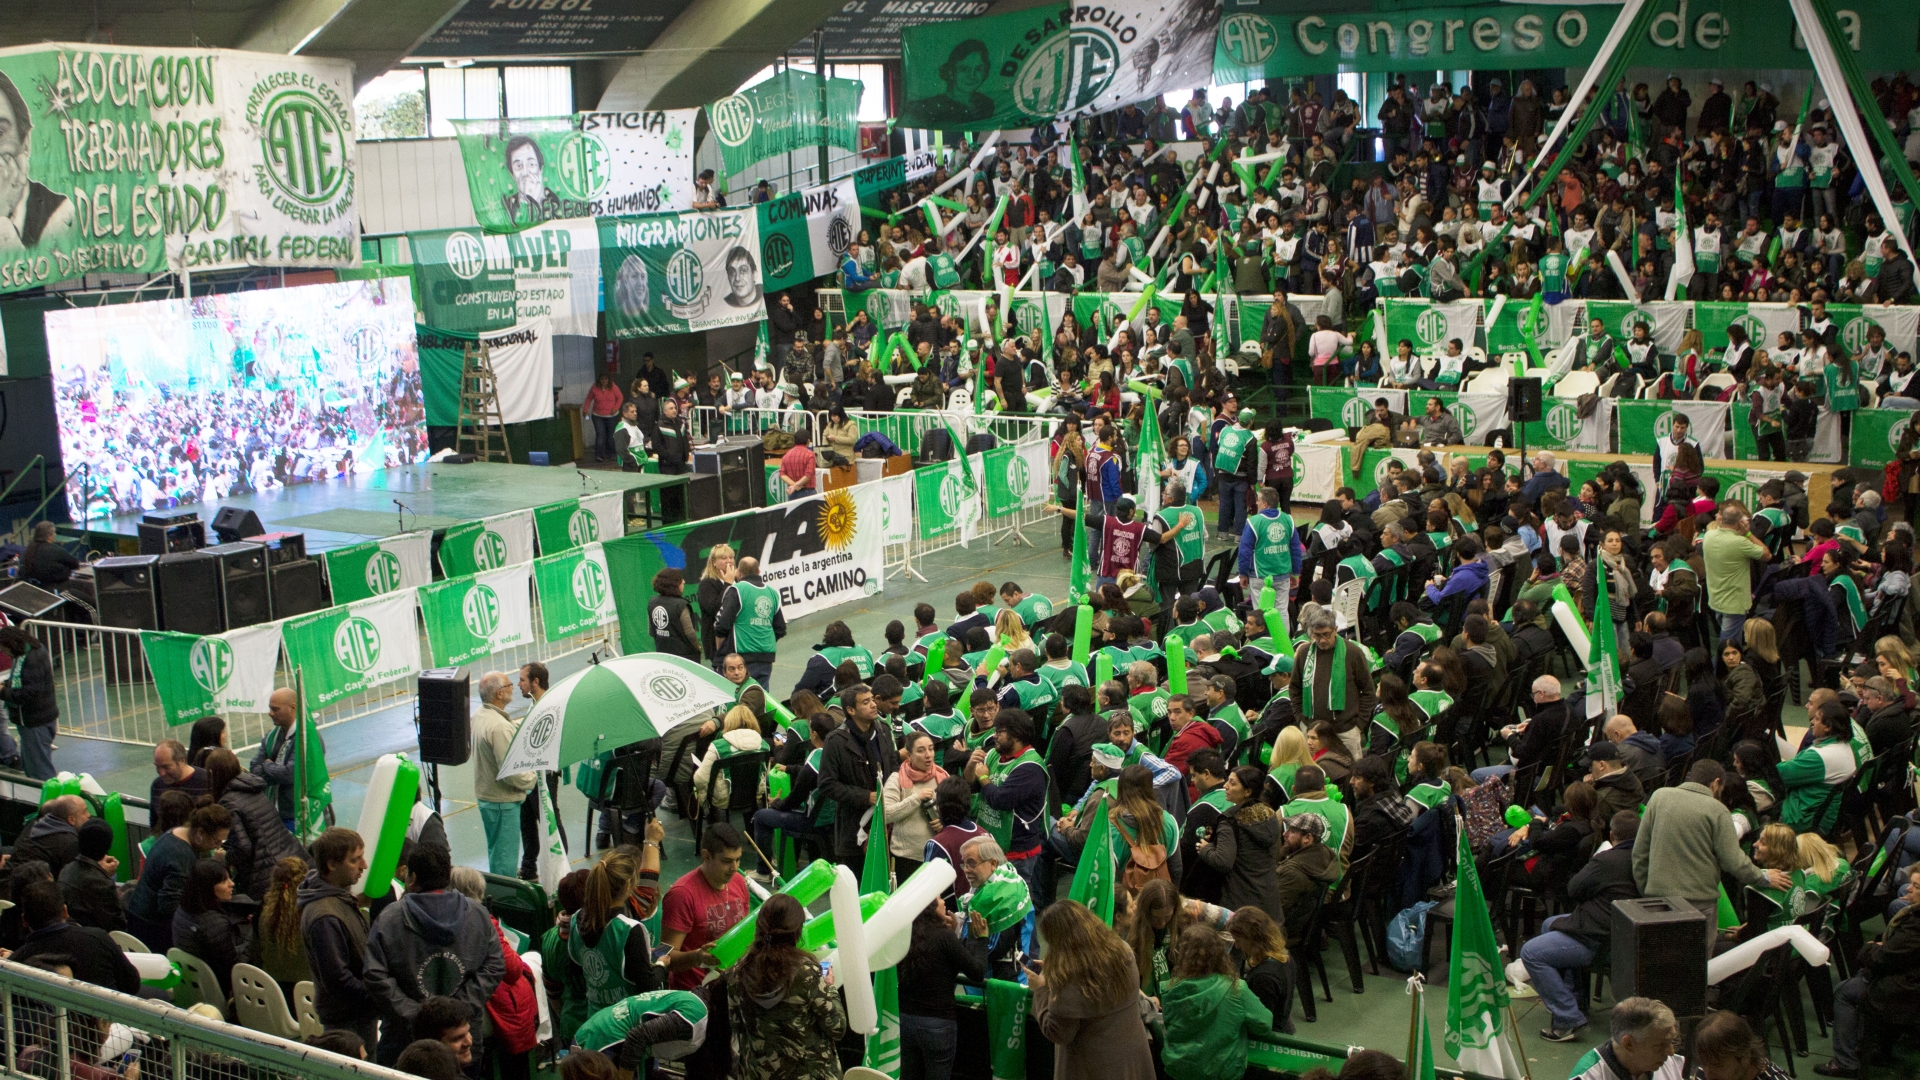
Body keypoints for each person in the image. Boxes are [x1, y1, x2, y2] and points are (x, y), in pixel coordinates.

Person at [365, 844, 505, 1066]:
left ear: (412, 877)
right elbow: (495, 966)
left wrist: (418, 1016)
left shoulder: (389, 918)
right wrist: (456, 1011)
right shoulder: (478, 914)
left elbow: (375, 974)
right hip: (463, 1038)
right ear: (448, 874)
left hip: (405, 1041)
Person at [1521, 811, 1642, 1042]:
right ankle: (1576, 1002)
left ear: (1612, 835)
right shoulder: (1644, 859)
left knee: (1531, 953)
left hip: (1597, 937)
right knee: (1549, 924)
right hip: (1622, 933)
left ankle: (1568, 1019)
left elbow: (1574, 888)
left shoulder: (1607, 860)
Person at [1633, 759, 1786, 940]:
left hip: (1658, 900)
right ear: (1716, 783)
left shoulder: (1658, 797)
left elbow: (1640, 852)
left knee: (1660, 954)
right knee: (1697, 956)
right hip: (1699, 905)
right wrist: (1764, 878)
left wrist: (1647, 890)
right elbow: (1733, 861)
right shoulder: (1718, 810)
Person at [1028, 900, 1156, 1080]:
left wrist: (1041, 989)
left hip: (1093, 1068)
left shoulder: (1069, 981)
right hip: (1131, 1059)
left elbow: (1058, 1032)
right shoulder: (1124, 952)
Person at [727, 893, 846, 1080]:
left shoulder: (738, 971)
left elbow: (735, 1024)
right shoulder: (807, 973)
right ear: (796, 931)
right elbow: (837, 1027)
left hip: (758, 1072)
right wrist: (829, 987)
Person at [1160, 925, 1276, 1080]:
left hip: (1178, 1072)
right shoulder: (1236, 989)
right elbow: (1264, 1024)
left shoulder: (1170, 988)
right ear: (1220, 953)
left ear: (1182, 955)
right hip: (1221, 1074)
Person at [300, 827, 379, 1048]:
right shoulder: (325, 917)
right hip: (349, 1021)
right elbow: (338, 980)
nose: (364, 865)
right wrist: (378, 996)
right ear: (332, 864)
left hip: (358, 1015)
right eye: (355, 860)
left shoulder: (339, 899)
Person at [898, 896, 986, 1080]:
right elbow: (977, 972)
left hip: (905, 1021)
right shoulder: (944, 937)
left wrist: (953, 935)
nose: (944, 902)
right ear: (929, 906)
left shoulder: (905, 935)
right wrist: (981, 938)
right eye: (939, 899)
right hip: (938, 1025)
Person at [204, 748, 306, 901]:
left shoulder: (228, 802)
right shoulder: (253, 788)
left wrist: (224, 857)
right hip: (292, 859)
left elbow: (243, 847)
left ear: (212, 774)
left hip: (268, 874)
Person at [126, 801, 231, 951]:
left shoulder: (175, 832)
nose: (218, 846)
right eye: (217, 841)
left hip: (138, 914)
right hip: (151, 928)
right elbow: (169, 905)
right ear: (200, 833)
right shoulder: (181, 856)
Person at [966, 708, 1049, 894]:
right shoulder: (995, 754)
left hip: (1018, 853)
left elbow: (1000, 800)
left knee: (1015, 901)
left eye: (999, 732)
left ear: (1016, 734)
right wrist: (971, 765)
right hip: (992, 847)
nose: (994, 736)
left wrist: (984, 778)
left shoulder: (1030, 767)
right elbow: (971, 784)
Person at [661, 823, 751, 991]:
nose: (734, 868)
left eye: (738, 859)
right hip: (696, 993)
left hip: (732, 987)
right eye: (726, 861)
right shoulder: (682, 894)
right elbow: (661, 955)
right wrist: (697, 957)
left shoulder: (738, 882)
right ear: (706, 856)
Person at [12, 879, 140, 996]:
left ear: (24, 920)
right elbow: (132, 984)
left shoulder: (15, 964)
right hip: (112, 1011)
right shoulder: (98, 938)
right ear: (65, 911)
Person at [818, 682, 898, 866]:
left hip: (886, 820)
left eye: (872, 700)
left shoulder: (883, 731)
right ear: (851, 710)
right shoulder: (836, 741)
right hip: (852, 827)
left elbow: (893, 765)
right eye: (865, 702)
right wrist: (865, 796)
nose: (873, 705)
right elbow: (826, 784)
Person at [473, 671, 536, 877]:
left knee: (497, 854)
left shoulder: (480, 715)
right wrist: (533, 778)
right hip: (502, 802)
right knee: (505, 864)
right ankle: (505, 896)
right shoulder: (499, 728)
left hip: (488, 798)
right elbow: (511, 772)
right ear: (499, 693)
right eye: (509, 685)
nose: (514, 687)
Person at [1776, 701, 1861, 834]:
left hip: (1805, 821)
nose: (1812, 722)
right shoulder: (1845, 746)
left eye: (1817, 719)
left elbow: (1777, 775)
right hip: (1825, 816)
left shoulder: (1820, 757)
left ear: (1828, 727)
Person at [172, 858, 251, 1000]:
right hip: (218, 992)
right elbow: (234, 969)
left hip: (192, 986)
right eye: (224, 881)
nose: (231, 884)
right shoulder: (214, 923)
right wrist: (254, 934)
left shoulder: (182, 910)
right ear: (208, 888)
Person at [714, 556, 787, 691]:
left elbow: (722, 624)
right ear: (759, 571)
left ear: (738, 573)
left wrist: (721, 650)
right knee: (761, 697)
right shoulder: (773, 593)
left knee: (739, 696)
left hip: (741, 657)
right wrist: (764, 641)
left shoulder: (736, 590)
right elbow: (780, 628)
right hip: (766, 656)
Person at [1567, 997, 1684, 1080]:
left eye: (1671, 1042)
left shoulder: (1667, 1062)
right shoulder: (1588, 1076)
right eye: (1660, 1045)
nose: (1671, 1052)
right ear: (1629, 1044)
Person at [885, 730, 948, 883]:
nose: (928, 755)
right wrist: (916, 798)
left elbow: (956, 813)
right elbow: (885, 814)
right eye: (921, 750)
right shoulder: (896, 779)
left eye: (931, 749)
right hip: (907, 857)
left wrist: (945, 822)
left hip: (938, 855)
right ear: (909, 755)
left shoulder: (943, 776)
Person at [1271, 813, 1340, 941]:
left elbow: (1272, 912)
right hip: (1303, 928)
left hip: (1284, 934)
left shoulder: (1292, 872)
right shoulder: (1324, 853)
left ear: (1307, 838)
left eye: (1292, 831)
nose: (1285, 834)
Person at [1226, 906, 1294, 1034]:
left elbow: (1259, 1023)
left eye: (1238, 940)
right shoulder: (1285, 957)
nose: (1237, 946)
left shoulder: (1263, 978)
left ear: (1253, 938)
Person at [0, 627, 56, 779]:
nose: (4, 653)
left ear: (11, 644)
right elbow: (22, 681)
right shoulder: (25, 654)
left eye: (4, 649)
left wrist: (3, 691)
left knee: (40, 772)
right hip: (31, 721)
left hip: (35, 722)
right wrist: (6, 684)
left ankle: (49, 795)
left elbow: (30, 694)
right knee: (32, 767)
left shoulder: (32, 659)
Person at [251, 688, 304, 829]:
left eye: (275, 709)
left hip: (298, 815)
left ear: (292, 708)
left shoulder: (306, 739)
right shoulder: (271, 737)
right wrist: (276, 772)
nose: (270, 713)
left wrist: (267, 765)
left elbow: (289, 774)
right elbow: (255, 770)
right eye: (270, 708)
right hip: (274, 812)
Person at [58, 818, 121, 932]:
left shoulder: (66, 870)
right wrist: (104, 876)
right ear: (107, 847)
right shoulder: (102, 885)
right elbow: (118, 926)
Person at [1693, 1011, 1792, 1080]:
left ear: (1745, 1056)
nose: (1708, 1075)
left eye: (1718, 1065)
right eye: (1704, 1063)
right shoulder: (1704, 1074)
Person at [150, 738, 208, 805]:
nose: (162, 773)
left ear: (182, 761)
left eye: (166, 767)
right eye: (157, 766)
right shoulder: (157, 785)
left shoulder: (206, 781)